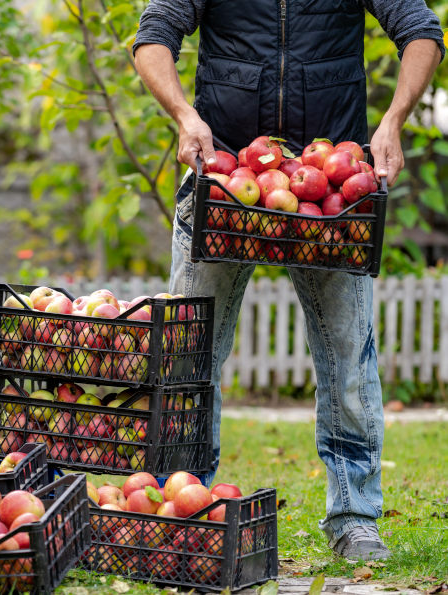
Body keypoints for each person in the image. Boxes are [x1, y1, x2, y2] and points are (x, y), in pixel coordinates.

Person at [132, 0, 443, 561]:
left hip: (329, 186)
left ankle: (355, 517)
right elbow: (154, 36)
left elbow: (421, 30)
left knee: (348, 355)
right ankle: (181, 504)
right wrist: (184, 115)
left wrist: (392, 120)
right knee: (188, 351)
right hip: (224, 181)